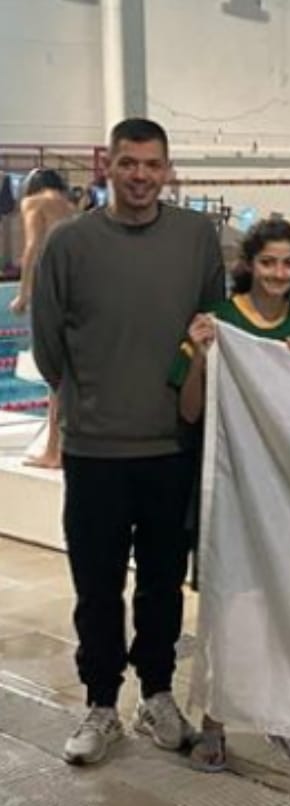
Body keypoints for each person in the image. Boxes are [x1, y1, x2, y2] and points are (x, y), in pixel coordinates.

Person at [32, 118, 225, 766]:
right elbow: (48, 346)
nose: (141, 175)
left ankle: (158, 695)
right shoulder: (69, 242)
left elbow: (211, 328)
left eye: (152, 164)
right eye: (128, 163)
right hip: (96, 450)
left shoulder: (197, 238)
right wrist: (90, 401)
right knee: (97, 587)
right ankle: (99, 704)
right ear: (106, 168)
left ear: (167, 170)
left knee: (163, 587)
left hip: (171, 447)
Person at [167, 217, 290, 773]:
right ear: (249, 265)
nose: (278, 273)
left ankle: (281, 715)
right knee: (225, 607)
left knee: (284, 604)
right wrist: (200, 354)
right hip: (226, 483)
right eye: (268, 262)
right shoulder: (218, 321)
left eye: (288, 263)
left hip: (285, 490)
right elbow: (189, 410)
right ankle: (214, 721)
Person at [10, 168, 76, 469]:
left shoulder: (34, 202)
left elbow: (32, 247)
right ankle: (62, 445)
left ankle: (53, 450)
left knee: (52, 370)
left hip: (52, 287)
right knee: (69, 370)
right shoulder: (70, 206)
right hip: (78, 286)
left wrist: (23, 294)